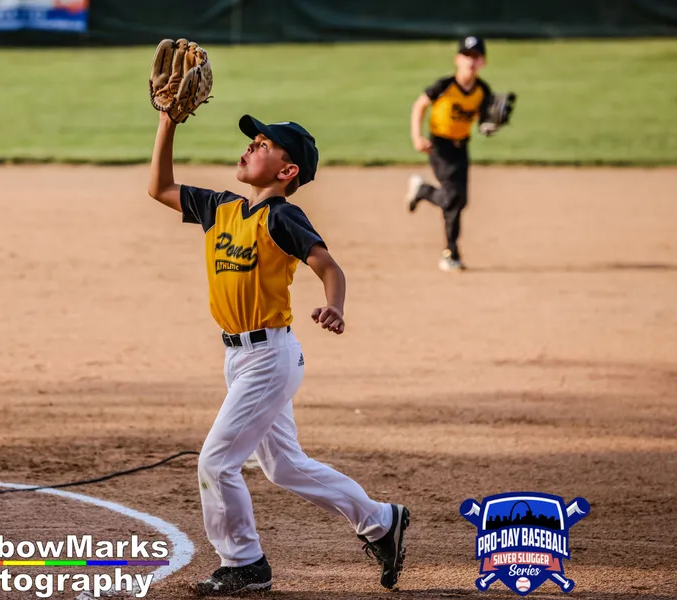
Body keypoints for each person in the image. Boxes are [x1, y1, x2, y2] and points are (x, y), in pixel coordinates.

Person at [147, 110, 410, 596]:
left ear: (287, 172)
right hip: (241, 359)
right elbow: (159, 187)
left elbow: (329, 266)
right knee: (284, 466)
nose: (250, 147)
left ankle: (244, 563)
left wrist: (335, 306)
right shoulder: (220, 207)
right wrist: (169, 122)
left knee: (216, 462)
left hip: (270, 360)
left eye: (264, 145)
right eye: (253, 141)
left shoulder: (283, 216)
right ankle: (380, 521)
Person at [407, 36, 494, 271]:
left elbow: (485, 121)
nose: (471, 62)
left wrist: (490, 126)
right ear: (458, 59)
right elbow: (419, 105)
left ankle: (423, 191)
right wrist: (417, 136)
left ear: (483, 62)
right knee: (454, 198)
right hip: (439, 146)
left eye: (476, 57)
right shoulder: (445, 85)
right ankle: (451, 253)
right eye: (467, 56)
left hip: (461, 146)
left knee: (459, 200)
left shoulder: (482, 91)